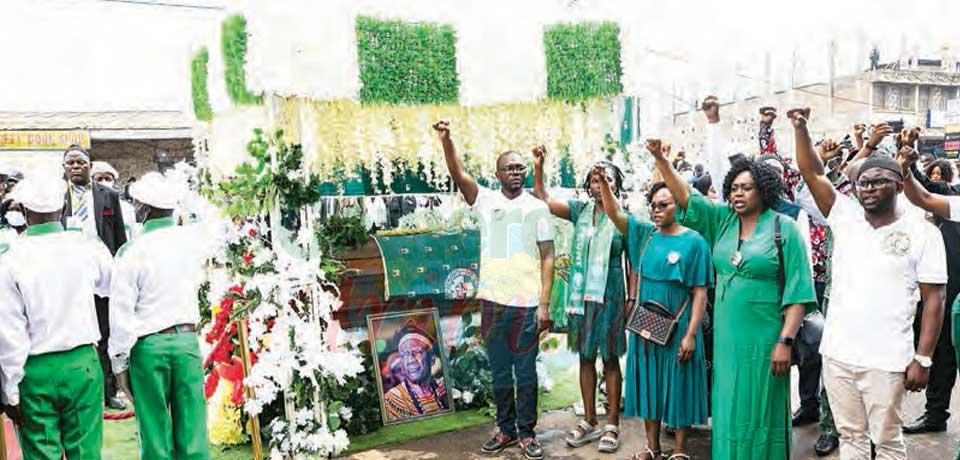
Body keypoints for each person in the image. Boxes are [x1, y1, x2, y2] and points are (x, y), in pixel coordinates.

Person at [791, 108, 947, 460]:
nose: (869, 187)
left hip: (888, 360)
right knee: (852, 438)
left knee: (888, 440)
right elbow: (813, 172)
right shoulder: (844, 216)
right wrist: (800, 128)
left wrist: (923, 358)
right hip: (839, 354)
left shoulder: (922, 232)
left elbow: (934, 299)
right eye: (863, 182)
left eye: (879, 180)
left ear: (897, 183)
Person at [653, 134, 817, 459]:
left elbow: (799, 293)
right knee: (728, 408)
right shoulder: (723, 222)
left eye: (746, 187)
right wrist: (661, 159)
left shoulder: (784, 229)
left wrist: (785, 342)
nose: (737, 193)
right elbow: (686, 198)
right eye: (734, 188)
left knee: (761, 408)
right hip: (728, 341)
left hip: (767, 339)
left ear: (765, 191)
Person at [434, 120, 554, 460]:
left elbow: (548, 257)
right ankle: (505, 429)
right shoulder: (484, 200)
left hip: (527, 304)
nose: (515, 173)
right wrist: (447, 140)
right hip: (492, 303)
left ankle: (527, 433)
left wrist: (543, 304)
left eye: (519, 168)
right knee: (499, 370)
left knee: (526, 371)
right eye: (509, 169)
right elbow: (458, 174)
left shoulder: (537, 208)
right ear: (498, 173)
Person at [597, 159, 712, 460]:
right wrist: (606, 186)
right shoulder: (644, 235)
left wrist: (691, 334)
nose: (657, 210)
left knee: (680, 382)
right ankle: (652, 447)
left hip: (680, 322)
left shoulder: (694, 242)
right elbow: (613, 213)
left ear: (678, 206)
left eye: (664, 204)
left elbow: (700, 291)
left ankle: (679, 450)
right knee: (648, 381)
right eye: (653, 205)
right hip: (647, 322)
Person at [0, 173, 113, 460]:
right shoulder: (85, 247)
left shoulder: (10, 259)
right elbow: (111, 283)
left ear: (24, 212)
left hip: (34, 370)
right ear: (63, 207)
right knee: (86, 452)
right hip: (82, 364)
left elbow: (9, 332)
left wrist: (10, 388)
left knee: (40, 453)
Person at [532, 146, 628, 453]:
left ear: (616, 184)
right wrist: (539, 165)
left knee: (610, 357)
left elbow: (633, 263)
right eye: (593, 180)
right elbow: (543, 200)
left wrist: (633, 296)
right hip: (581, 295)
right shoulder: (579, 211)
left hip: (611, 292)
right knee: (585, 357)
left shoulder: (625, 217)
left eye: (605, 179)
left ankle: (612, 423)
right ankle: (590, 420)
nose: (597, 184)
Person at [107, 172, 210, 460]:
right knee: (194, 432)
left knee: (154, 432)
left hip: (149, 346)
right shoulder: (193, 242)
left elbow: (121, 312)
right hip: (187, 341)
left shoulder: (132, 251)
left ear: (145, 208)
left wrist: (119, 363)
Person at [897, 147, 960, 437]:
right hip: (951, 297)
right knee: (943, 357)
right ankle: (935, 415)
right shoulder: (955, 199)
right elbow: (923, 196)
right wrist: (907, 168)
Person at [61, 145, 128, 411]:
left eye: (80, 162)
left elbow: (120, 235)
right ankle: (77, 395)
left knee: (104, 333)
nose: (76, 167)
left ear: (90, 166)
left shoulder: (108, 195)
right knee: (75, 333)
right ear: (64, 168)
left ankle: (108, 392)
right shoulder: (56, 198)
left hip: (103, 276)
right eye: (70, 163)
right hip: (69, 275)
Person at [382, 321, 449, 422]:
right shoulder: (392, 400)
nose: (410, 360)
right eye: (404, 355)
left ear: (432, 359)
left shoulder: (443, 389)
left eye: (417, 352)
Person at [91, 161, 138, 240]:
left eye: (107, 179)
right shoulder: (87, 206)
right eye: (99, 179)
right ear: (92, 181)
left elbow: (133, 233)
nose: (104, 182)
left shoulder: (126, 208)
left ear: (113, 181)